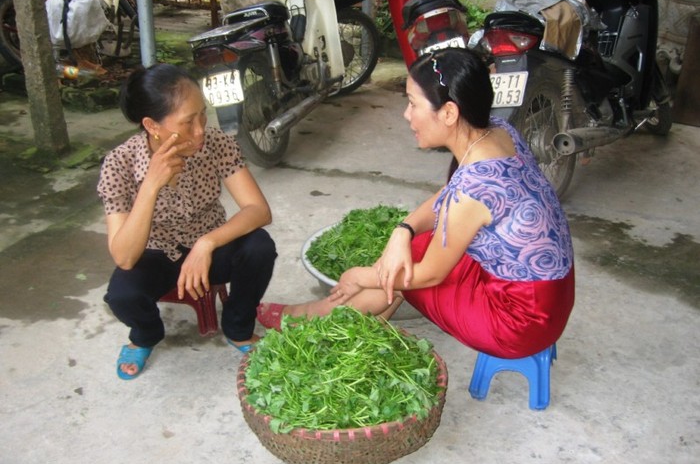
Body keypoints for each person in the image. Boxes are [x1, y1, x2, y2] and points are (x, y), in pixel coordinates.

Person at [257, 48, 575, 359]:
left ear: (449, 113)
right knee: (412, 251)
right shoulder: (496, 132)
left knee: (407, 272)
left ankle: (317, 321)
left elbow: (430, 274)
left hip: (519, 322)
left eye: (412, 104)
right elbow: (449, 196)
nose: (406, 115)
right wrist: (403, 230)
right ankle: (343, 318)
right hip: (549, 295)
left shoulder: (473, 188)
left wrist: (360, 275)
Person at [97, 63, 277, 380]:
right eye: (188, 121)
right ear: (152, 125)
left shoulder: (217, 144)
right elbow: (124, 256)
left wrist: (207, 244)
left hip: (210, 248)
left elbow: (258, 210)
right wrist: (151, 184)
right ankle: (145, 334)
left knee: (259, 247)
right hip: (154, 254)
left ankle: (237, 326)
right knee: (123, 296)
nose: (200, 130)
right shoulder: (119, 163)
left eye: (202, 115)